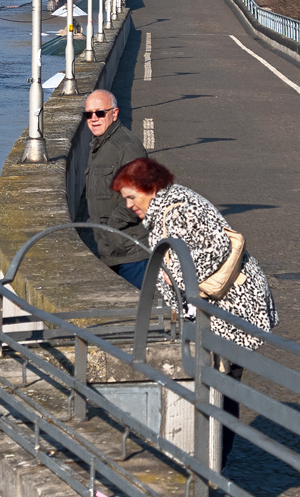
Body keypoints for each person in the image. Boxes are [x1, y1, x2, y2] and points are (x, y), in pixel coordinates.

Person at [111, 156, 279, 465]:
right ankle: (214, 461)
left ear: (148, 188)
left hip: (232, 311)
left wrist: (171, 276)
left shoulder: (176, 212)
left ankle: (216, 464)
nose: (129, 205)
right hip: (226, 310)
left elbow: (211, 254)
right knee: (222, 385)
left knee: (223, 386)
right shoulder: (170, 205)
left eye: (131, 197)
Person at [80, 89, 149, 287]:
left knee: (139, 312)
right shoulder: (101, 145)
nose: (94, 119)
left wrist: (111, 227)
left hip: (132, 253)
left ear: (115, 113)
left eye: (100, 113)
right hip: (110, 250)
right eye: (88, 114)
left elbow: (139, 194)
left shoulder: (126, 147)